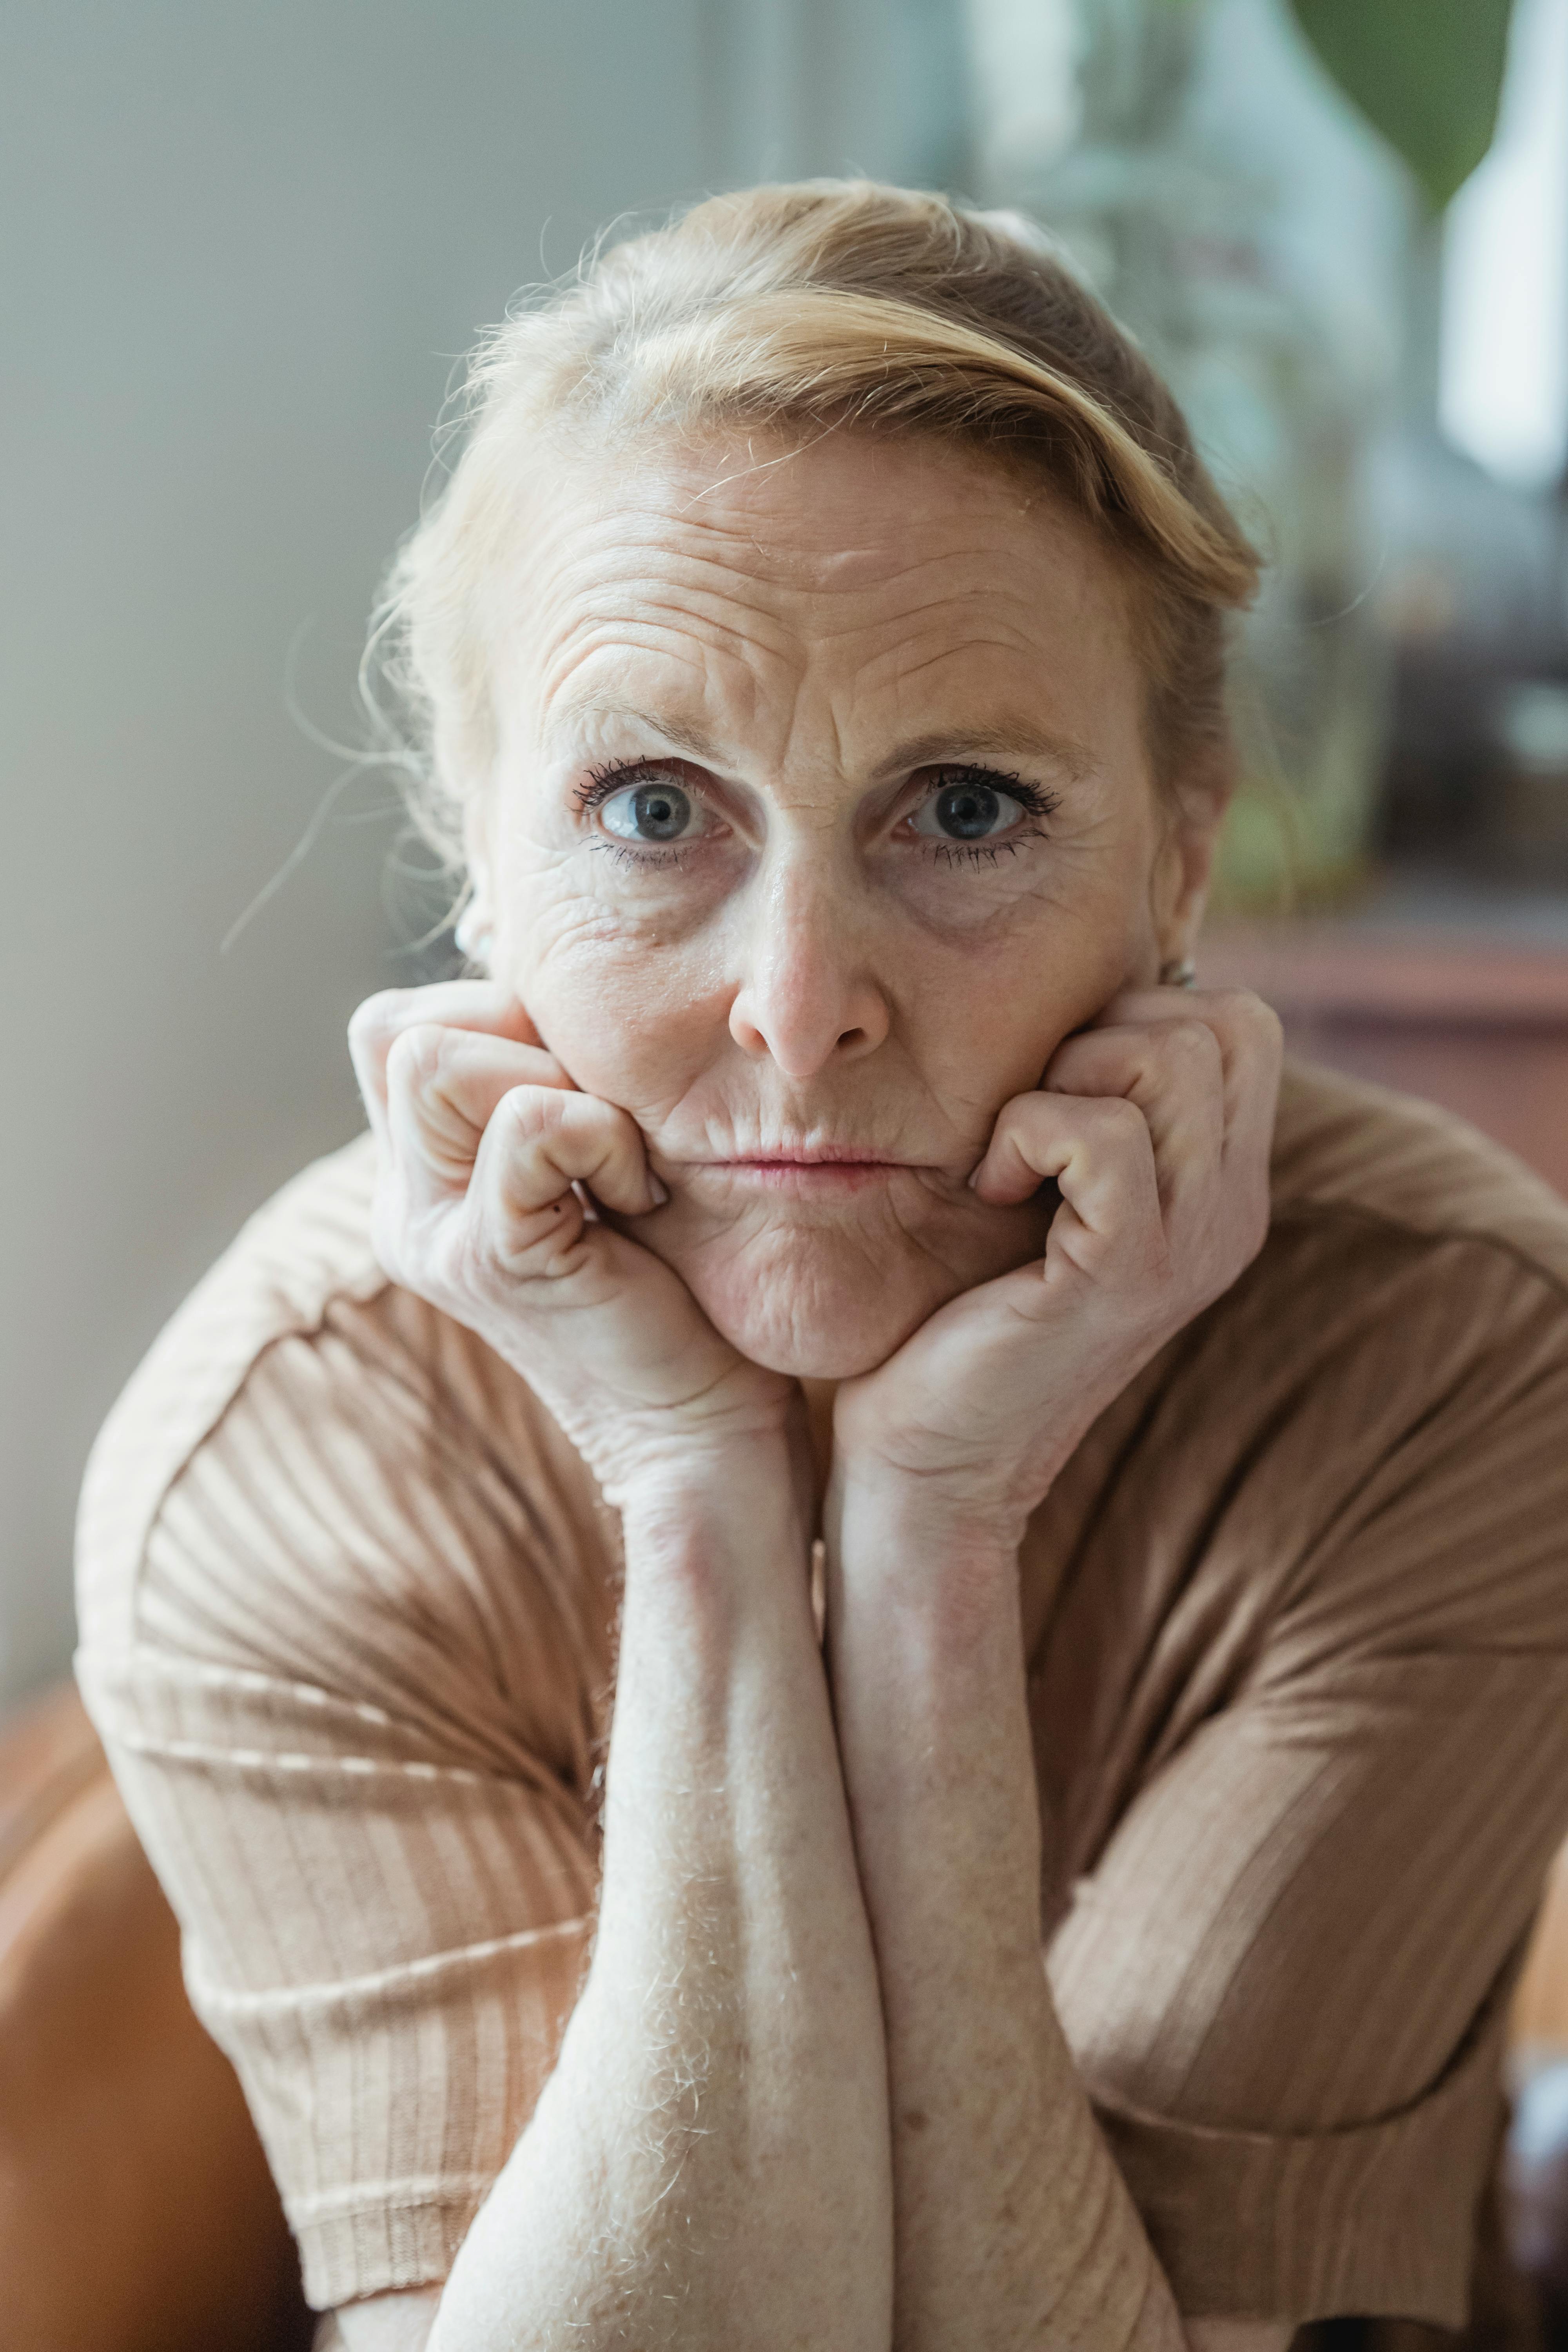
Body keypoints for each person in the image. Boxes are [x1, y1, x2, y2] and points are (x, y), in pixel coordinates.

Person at [75, 182, 1568, 2352]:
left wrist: (934, 1540)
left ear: (1174, 858)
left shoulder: (1456, 1369)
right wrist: (688, 1486)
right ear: (472, 859)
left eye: (961, 812)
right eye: (654, 812)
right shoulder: (289, 1452)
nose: (796, 1008)